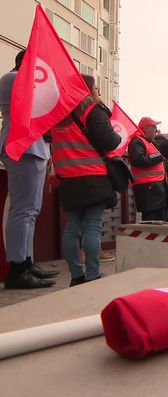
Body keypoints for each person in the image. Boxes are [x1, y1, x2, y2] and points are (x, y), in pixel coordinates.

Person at [51, 74, 122, 286]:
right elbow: (109, 141)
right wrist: (118, 136)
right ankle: (92, 274)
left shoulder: (57, 113)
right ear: (88, 89)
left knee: (72, 227)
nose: (98, 93)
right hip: (92, 176)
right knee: (92, 225)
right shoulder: (92, 110)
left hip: (68, 179)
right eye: (97, 89)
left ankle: (76, 276)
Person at [0, 50, 58, 289]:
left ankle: (24, 261)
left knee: (30, 210)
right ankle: (16, 268)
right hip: (22, 144)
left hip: (33, 146)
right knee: (23, 210)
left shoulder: (21, 80)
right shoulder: (12, 78)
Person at [128, 117, 167, 221]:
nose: (156, 130)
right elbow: (138, 160)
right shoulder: (137, 141)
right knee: (151, 221)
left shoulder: (148, 142)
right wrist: (159, 156)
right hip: (147, 188)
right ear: (145, 128)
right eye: (154, 127)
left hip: (153, 187)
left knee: (158, 220)